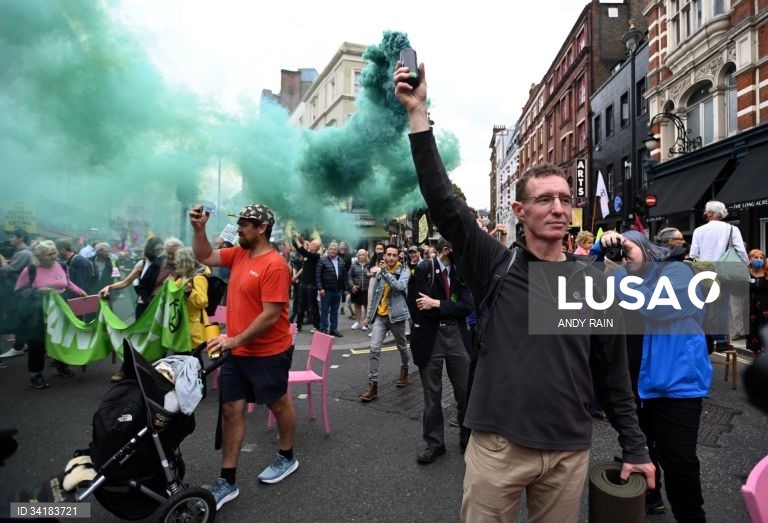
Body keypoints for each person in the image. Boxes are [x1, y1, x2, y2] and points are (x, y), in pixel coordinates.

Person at [394, 60, 653, 521]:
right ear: (519, 210)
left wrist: (635, 447)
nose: (558, 208)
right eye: (544, 199)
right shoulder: (496, 262)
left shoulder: (590, 283)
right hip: (497, 448)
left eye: (564, 200)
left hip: (568, 453)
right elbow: (443, 204)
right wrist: (418, 114)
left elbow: (615, 377)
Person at [190, 203, 297, 511]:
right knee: (230, 411)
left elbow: (270, 315)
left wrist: (233, 339)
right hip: (236, 350)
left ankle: (287, 457)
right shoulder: (238, 255)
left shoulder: (275, 264)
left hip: (267, 352)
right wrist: (199, 229)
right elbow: (204, 256)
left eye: (245, 224)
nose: (238, 229)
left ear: (261, 227)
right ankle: (227, 480)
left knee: (278, 403)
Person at [600, 230, 711, 521]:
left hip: (676, 385)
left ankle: (690, 516)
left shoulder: (677, 271)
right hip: (634, 384)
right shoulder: (619, 280)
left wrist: (618, 275)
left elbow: (655, 305)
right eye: (618, 250)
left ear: (646, 247)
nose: (622, 255)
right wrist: (601, 250)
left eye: (628, 247)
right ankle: (651, 498)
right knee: (640, 450)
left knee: (678, 459)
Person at [410, 238, 473, 464]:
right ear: (447, 250)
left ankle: (468, 439)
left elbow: (467, 307)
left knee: (465, 392)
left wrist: (437, 304)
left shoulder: (462, 273)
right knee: (432, 395)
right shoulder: (424, 269)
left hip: (457, 335)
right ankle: (434, 443)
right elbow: (419, 306)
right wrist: (446, 308)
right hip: (431, 335)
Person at [14, 241, 87, 389]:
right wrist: (36, 291)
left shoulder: (62, 265)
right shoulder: (31, 270)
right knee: (38, 343)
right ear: (39, 255)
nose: (54, 256)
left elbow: (67, 283)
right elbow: (18, 291)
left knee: (60, 338)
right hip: (37, 312)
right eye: (49, 254)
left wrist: (79, 290)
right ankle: (35, 375)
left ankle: (61, 366)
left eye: (54, 253)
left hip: (60, 309)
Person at [100, 236, 165, 382]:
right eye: (157, 249)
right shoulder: (142, 264)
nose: (160, 252)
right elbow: (125, 282)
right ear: (150, 249)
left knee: (159, 338)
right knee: (136, 338)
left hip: (159, 307)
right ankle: (126, 369)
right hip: (143, 306)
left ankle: (158, 371)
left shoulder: (168, 264)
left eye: (162, 249)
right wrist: (109, 287)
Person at [689, 201, 748, 349]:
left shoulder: (699, 230)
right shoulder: (732, 229)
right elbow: (741, 251)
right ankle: (722, 341)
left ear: (710, 213)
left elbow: (693, 254)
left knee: (703, 305)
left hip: (703, 272)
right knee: (723, 307)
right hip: (724, 272)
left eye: (705, 210)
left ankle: (704, 341)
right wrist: (745, 266)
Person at [359, 244, 411, 402]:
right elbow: (376, 295)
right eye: (388, 254)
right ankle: (372, 385)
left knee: (402, 346)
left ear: (398, 257)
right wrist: (369, 317)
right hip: (381, 317)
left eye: (394, 255)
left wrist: (385, 273)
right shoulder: (381, 272)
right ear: (384, 256)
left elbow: (399, 286)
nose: (391, 258)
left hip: (396, 317)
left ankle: (404, 369)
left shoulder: (404, 272)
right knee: (374, 349)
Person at [173, 247, 209, 347]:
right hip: (185, 323)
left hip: (194, 325)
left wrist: (190, 293)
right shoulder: (186, 276)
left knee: (193, 358)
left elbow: (203, 301)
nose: (177, 264)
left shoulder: (198, 277)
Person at [315, 241, 347, 337]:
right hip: (326, 291)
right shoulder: (322, 260)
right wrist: (320, 288)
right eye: (331, 249)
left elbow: (344, 276)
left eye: (334, 249)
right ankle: (323, 329)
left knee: (334, 311)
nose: (333, 251)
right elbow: (317, 276)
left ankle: (333, 329)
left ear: (337, 251)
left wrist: (344, 289)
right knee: (324, 311)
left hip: (338, 291)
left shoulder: (341, 261)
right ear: (328, 250)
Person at [292, 236, 321, 333]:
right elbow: (299, 249)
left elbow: (303, 251)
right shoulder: (307, 255)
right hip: (303, 284)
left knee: (313, 307)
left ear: (316, 247)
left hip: (311, 285)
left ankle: (317, 326)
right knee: (300, 306)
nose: (310, 244)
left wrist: (297, 239)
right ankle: (298, 326)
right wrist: (295, 240)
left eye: (312, 244)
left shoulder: (315, 256)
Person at [747, 249, 767, 356]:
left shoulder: (767, 273)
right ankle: (758, 366)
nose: (759, 260)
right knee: (754, 337)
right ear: (750, 259)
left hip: (765, 310)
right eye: (755, 257)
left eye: (761, 258)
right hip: (750, 311)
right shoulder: (745, 273)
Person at [347, 249, 370, 330]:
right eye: (360, 255)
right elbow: (349, 276)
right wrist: (352, 285)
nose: (361, 256)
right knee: (357, 305)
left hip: (367, 288)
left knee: (367, 306)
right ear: (357, 256)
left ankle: (366, 323)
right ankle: (357, 322)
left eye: (363, 254)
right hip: (357, 288)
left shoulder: (370, 264)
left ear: (366, 255)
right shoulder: (354, 265)